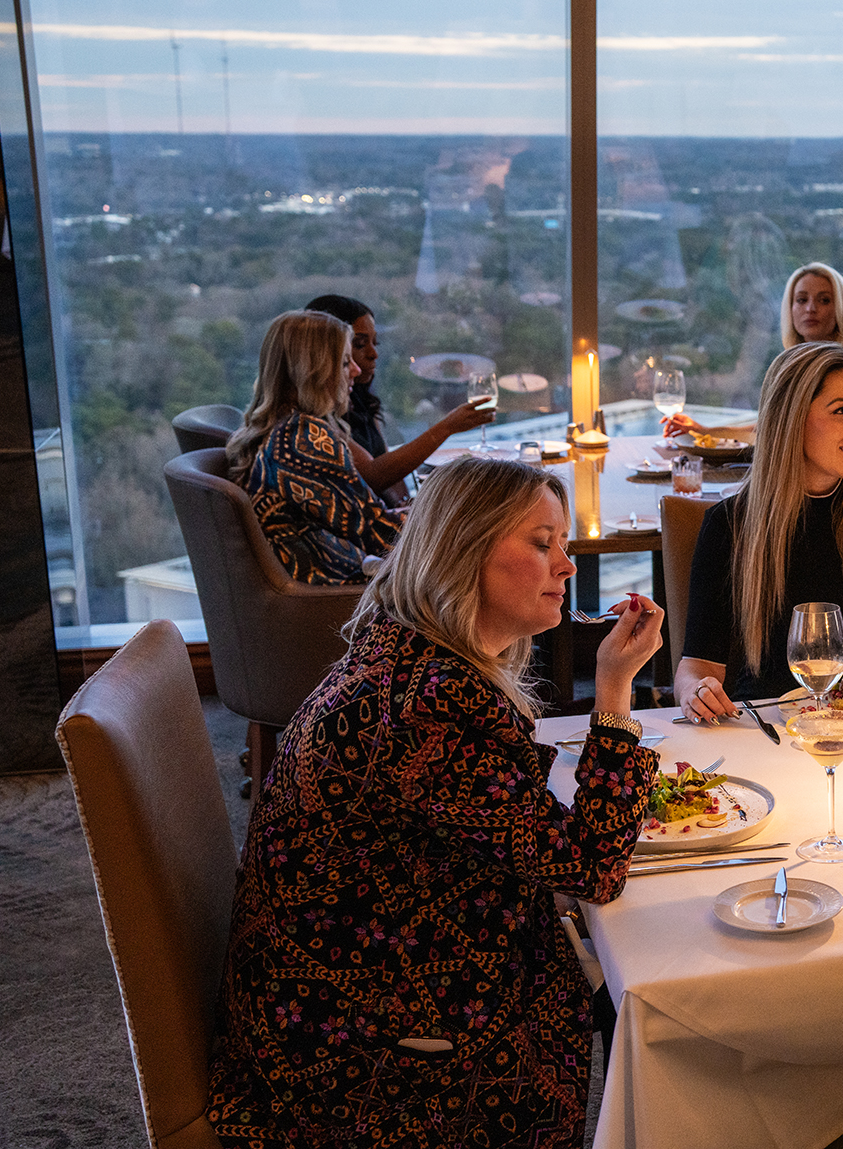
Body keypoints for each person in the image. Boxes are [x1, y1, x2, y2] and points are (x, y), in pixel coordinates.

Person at [206, 455, 667, 1147]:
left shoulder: (406, 656)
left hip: (339, 991)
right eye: (542, 544)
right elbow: (592, 866)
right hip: (359, 1057)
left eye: (564, 545)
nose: (567, 566)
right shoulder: (426, 710)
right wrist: (614, 692)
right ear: (463, 551)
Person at [678, 342, 843, 717]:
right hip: (767, 725)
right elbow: (697, 667)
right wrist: (696, 691)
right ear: (790, 419)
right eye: (841, 411)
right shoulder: (729, 525)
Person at [226, 310, 404, 584]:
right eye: (344, 363)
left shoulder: (276, 429)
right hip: (335, 593)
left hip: (319, 583)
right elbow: (377, 533)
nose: (356, 371)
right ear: (314, 372)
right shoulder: (303, 439)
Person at [303, 293, 493, 503]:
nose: (373, 354)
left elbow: (390, 474)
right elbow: (373, 476)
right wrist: (448, 426)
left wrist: (407, 505)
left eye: (375, 343)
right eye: (359, 344)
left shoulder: (362, 400)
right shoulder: (312, 420)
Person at [780, 261, 843, 352]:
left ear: (841, 308)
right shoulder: (790, 359)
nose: (810, 309)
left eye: (824, 300)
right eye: (802, 300)